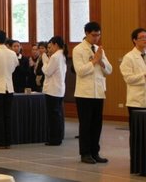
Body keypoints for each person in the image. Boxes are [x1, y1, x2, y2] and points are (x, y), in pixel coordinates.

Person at [73, 21, 112, 164]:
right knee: (86, 124)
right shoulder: (78, 49)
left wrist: (101, 61)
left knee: (97, 124)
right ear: (87, 34)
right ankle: (85, 153)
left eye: (98, 35)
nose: (96, 38)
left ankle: (95, 152)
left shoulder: (99, 49)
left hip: (99, 91)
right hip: (84, 93)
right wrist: (94, 61)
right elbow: (80, 71)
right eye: (94, 35)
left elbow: (109, 70)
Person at [42, 36, 67, 146]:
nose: (48, 49)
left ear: (56, 45)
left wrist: (44, 61)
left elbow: (47, 72)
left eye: (50, 46)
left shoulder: (55, 57)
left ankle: (54, 139)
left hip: (52, 90)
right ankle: (58, 137)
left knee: (53, 116)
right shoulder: (62, 55)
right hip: (59, 89)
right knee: (57, 114)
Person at [119, 28, 146, 124]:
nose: (144, 40)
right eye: (142, 37)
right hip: (136, 101)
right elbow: (128, 78)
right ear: (134, 40)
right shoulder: (128, 57)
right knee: (137, 132)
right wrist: (144, 76)